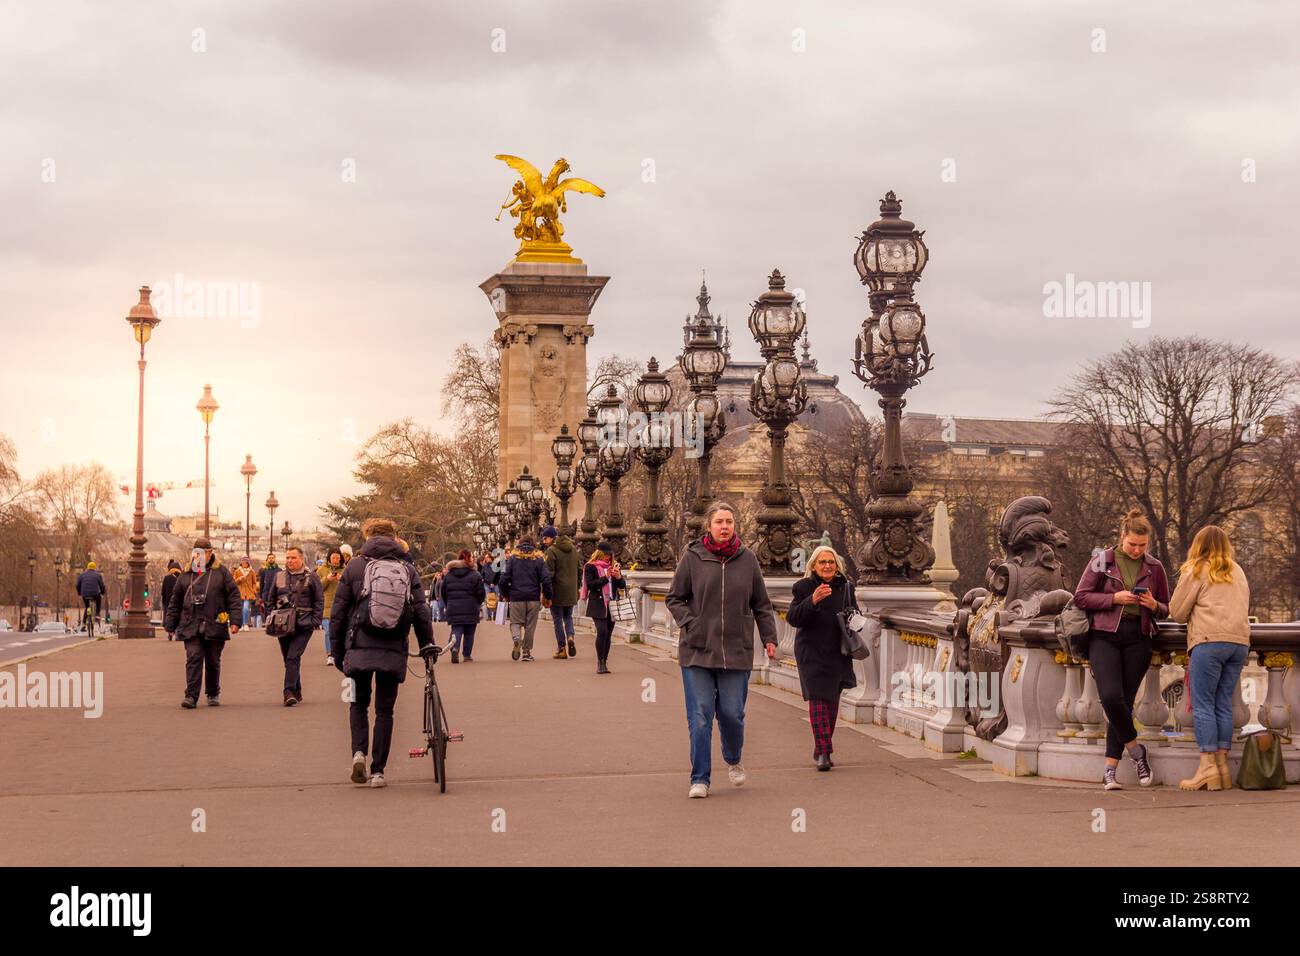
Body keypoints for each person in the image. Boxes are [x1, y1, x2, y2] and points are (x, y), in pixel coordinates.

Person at [666, 501, 779, 798]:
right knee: (700, 715)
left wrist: (769, 638)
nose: (725, 527)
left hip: (735, 650)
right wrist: (691, 625)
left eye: (729, 521)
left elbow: (762, 604)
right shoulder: (692, 558)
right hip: (697, 650)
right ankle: (699, 778)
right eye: (719, 522)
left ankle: (733, 758)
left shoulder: (748, 559)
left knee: (731, 714)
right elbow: (674, 599)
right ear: (709, 526)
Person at [330, 518, 434, 789]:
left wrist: (338, 652)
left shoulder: (354, 566)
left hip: (359, 647)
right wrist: (427, 646)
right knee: (385, 710)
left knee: (358, 704)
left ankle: (358, 754)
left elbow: (338, 612)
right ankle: (378, 771)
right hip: (393, 646)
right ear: (395, 537)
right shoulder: (407, 568)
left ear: (367, 536)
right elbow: (421, 613)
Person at [1073, 507, 1170, 791]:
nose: (1137, 550)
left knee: (1124, 704)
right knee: (1111, 697)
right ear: (1122, 537)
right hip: (1104, 635)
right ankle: (1136, 751)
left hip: (1138, 638)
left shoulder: (1155, 567)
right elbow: (1081, 597)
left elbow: (1166, 607)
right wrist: (1114, 597)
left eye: (1142, 545)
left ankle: (1109, 771)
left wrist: (1153, 606)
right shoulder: (1102, 561)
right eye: (1132, 545)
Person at [1170, 526, 1251, 791]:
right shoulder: (1238, 571)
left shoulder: (1197, 568)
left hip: (1209, 642)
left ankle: (1206, 769)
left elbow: (1177, 612)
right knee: (1223, 705)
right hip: (1238, 644)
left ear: (1198, 545)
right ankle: (1222, 768)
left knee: (1203, 705)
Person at [786, 544, 859, 771]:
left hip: (838, 651)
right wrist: (813, 600)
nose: (827, 566)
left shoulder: (846, 587)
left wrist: (855, 618)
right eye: (822, 562)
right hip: (811, 652)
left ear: (837, 566)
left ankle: (821, 746)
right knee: (818, 699)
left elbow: (855, 613)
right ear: (813, 566)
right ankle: (825, 753)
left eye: (831, 562)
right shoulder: (803, 587)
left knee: (832, 702)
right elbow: (793, 618)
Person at [164, 538, 242, 709]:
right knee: (194, 658)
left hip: (214, 622)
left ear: (210, 553)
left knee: (213, 660)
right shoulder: (185, 575)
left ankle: (213, 693)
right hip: (191, 623)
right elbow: (175, 600)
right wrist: (170, 624)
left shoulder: (221, 573)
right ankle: (191, 695)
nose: (199, 556)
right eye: (196, 553)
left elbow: (234, 597)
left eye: (203, 553)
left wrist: (235, 621)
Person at [267, 547, 325, 706]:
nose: (289, 561)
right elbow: (270, 599)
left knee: (293, 656)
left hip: (303, 625)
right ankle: (297, 690)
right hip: (282, 625)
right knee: (288, 659)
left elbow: (319, 600)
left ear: (301, 559)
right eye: (287, 558)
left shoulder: (312, 577)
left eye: (293, 558)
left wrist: (315, 621)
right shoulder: (278, 576)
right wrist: (270, 615)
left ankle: (288, 692)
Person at [500, 536, 553, 662]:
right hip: (533, 597)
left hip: (516, 596)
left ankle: (517, 639)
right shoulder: (539, 559)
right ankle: (526, 652)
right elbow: (546, 579)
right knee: (530, 626)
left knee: (515, 622)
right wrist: (548, 596)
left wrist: (505, 593)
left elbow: (504, 578)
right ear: (533, 544)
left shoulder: (513, 559)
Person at [581, 539, 626, 675]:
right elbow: (591, 585)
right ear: (599, 554)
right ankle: (600, 661)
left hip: (612, 604)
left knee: (608, 634)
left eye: (610, 555)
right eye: (606, 555)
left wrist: (618, 577)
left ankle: (604, 661)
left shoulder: (613, 566)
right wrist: (606, 577)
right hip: (598, 604)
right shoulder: (591, 567)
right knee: (602, 632)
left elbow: (622, 586)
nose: (608, 557)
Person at [543, 524, 582, 659]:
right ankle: (570, 637)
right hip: (571, 591)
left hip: (557, 591)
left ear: (552, 538)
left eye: (545, 538)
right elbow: (579, 570)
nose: (543, 541)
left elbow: (548, 575)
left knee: (558, 619)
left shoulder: (551, 551)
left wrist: (546, 593)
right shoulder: (574, 550)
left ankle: (561, 648)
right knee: (568, 616)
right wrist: (576, 587)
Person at [443, 549, 486, 663]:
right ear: (469, 558)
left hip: (453, 607)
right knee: (469, 632)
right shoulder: (475, 574)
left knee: (456, 629)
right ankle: (467, 655)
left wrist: (448, 604)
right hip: (471, 607)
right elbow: (481, 592)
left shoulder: (449, 575)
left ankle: (455, 648)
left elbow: (443, 592)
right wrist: (478, 603)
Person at [318, 549, 345, 666]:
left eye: (338, 558)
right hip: (326, 606)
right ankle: (330, 655)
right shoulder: (321, 570)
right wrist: (327, 579)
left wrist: (342, 580)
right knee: (328, 631)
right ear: (329, 558)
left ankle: (339, 654)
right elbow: (317, 588)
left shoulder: (345, 570)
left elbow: (350, 586)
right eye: (333, 558)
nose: (335, 560)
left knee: (340, 632)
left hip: (341, 605)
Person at [75, 561, 107, 626]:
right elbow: (102, 586)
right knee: (98, 600)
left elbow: (77, 585)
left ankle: (84, 624)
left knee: (87, 607)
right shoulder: (98, 575)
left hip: (85, 594)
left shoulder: (82, 575)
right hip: (95, 594)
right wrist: (102, 593)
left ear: (87, 568)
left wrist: (79, 593)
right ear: (94, 568)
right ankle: (97, 614)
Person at [233, 557, 260, 628]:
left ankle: (245, 624)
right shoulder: (237, 571)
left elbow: (254, 582)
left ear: (248, 563)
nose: (244, 563)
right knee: (240, 609)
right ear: (241, 563)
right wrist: (239, 579)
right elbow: (233, 582)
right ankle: (241, 624)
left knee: (246, 608)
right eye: (243, 562)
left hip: (248, 593)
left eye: (246, 562)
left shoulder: (252, 571)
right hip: (239, 592)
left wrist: (254, 590)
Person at [160, 559, 183, 638]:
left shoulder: (167, 578)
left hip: (168, 602)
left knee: (169, 616)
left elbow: (163, 591)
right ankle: (177, 633)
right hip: (179, 601)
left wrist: (164, 601)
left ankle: (170, 632)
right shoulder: (181, 578)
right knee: (178, 615)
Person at [258, 552, 280, 629]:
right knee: (267, 609)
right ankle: (268, 624)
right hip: (266, 593)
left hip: (276, 593)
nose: (271, 559)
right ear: (267, 559)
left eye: (272, 558)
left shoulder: (279, 570)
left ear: (275, 559)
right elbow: (261, 584)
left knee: (276, 608)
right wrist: (260, 595)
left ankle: (275, 623)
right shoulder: (263, 570)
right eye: (269, 558)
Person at [478, 552, 498, 622]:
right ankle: (489, 616)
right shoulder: (484, 566)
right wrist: (488, 582)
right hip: (487, 584)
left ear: (491, 558)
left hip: (495, 584)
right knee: (488, 600)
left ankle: (495, 616)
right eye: (485, 558)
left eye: (487, 557)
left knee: (495, 599)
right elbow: (482, 576)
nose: (486, 559)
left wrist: (493, 583)